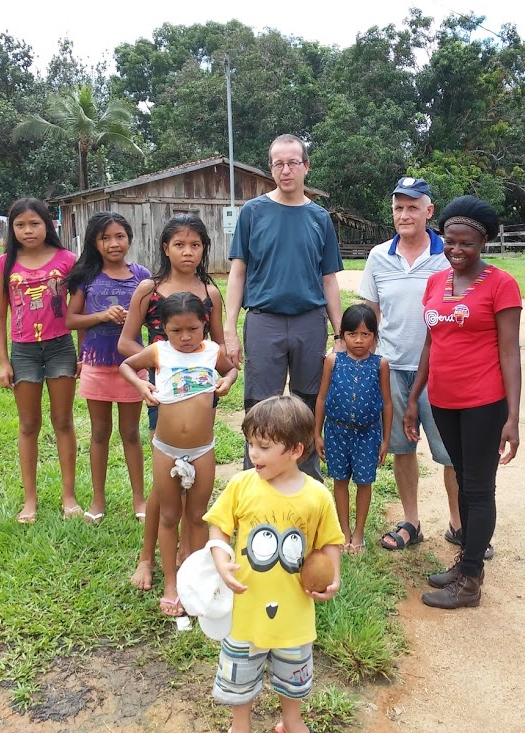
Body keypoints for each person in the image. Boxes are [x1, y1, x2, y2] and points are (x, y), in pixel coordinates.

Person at [404, 195, 522, 609]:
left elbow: (510, 351)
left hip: (483, 403)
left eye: (466, 243)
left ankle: (470, 580)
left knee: (476, 488)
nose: (456, 250)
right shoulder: (436, 282)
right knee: (465, 485)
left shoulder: (501, 284)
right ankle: (467, 563)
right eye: (450, 241)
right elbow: (431, 344)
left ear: (483, 243)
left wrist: (513, 416)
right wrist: (414, 397)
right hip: (444, 401)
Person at [204, 395, 343, 733]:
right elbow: (219, 526)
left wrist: (333, 576)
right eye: (251, 443)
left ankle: (291, 721)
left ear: (295, 450)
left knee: (292, 675)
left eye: (264, 446)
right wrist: (221, 561)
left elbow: (330, 541)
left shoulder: (317, 496)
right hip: (245, 611)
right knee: (240, 678)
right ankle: (241, 725)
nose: (254, 453)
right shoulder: (242, 484)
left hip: (294, 614)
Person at [224, 133, 344, 482]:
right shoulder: (253, 212)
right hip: (264, 321)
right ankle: (256, 482)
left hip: (309, 322)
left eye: (293, 162)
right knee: (260, 406)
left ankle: (305, 482)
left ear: (306, 166)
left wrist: (339, 335)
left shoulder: (320, 218)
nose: (286, 170)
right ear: (271, 168)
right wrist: (230, 329)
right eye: (279, 163)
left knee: (306, 406)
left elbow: (329, 280)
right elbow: (238, 272)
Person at [118, 213, 224, 591]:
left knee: (193, 500)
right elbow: (127, 343)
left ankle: (185, 562)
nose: (188, 252)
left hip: (199, 400)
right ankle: (147, 559)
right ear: (165, 248)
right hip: (161, 397)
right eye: (179, 244)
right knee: (163, 491)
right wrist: (159, 366)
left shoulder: (210, 293)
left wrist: (223, 368)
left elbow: (218, 347)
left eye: (195, 245)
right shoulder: (149, 288)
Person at [359, 177, 464, 552]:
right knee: (402, 449)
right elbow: (369, 316)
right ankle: (412, 522)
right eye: (398, 207)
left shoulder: (447, 256)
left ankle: (458, 524)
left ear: (429, 210)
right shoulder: (378, 256)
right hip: (392, 368)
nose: (405, 214)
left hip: (439, 371)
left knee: (451, 452)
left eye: (412, 207)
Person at [119, 292, 237, 617]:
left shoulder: (212, 352)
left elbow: (231, 371)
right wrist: (142, 387)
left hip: (203, 450)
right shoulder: (158, 351)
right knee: (169, 516)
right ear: (163, 328)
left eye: (193, 329)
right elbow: (127, 365)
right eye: (176, 331)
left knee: (198, 517)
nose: (185, 337)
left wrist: (227, 382)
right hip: (166, 449)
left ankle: (191, 583)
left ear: (204, 326)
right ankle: (172, 584)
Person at [0, 197, 82, 524]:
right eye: (20, 225)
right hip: (24, 351)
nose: (28, 230)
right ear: (11, 229)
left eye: (34, 223)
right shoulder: (4, 263)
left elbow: (79, 309)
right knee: (29, 425)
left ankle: (69, 497)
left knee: (63, 421)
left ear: (48, 225)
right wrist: (4, 362)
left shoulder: (67, 259)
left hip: (60, 347)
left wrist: (83, 352)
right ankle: (30, 500)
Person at [65, 212, 151, 524]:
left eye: (119, 236)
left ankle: (139, 499)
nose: (114, 243)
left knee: (131, 433)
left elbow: (154, 316)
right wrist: (101, 316)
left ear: (129, 239)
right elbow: (71, 319)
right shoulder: (86, 277)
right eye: (105, 238)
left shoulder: (141, 275)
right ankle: (98, 498)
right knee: (99, 432)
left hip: (131, 367)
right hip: (96, 365)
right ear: (95, 242)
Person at [314, 304, 391, 554]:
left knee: (364, 481)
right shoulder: (333, 361)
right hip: (337, 432)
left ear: (375, 337)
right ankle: (343, 530)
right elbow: (322, 398)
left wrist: (385, 440)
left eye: (366, 334)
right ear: (342, 334)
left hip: (368, 435)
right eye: (352, 334)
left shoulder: (380, 365)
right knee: (340, 481)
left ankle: (359, 533)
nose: (358, 340)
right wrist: (317, 433)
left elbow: (387, 404)